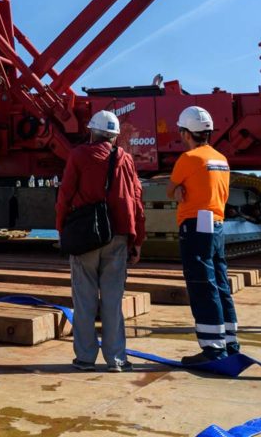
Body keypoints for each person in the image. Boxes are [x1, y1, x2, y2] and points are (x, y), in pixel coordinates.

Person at [56, 110, 145, 373]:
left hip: (85, 238)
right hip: (117, 236)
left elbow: (65, 194)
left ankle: (85, 358)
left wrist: (62, 229)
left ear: (92, 132)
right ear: (115, 137)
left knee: (84, 300)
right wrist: (137, 239)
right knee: (112, 300)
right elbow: (136, 199)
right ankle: (116, 359)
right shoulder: (125, 159)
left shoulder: (79, 155)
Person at [167, 105, 240, 365]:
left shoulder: (189, 159)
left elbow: (171, 189)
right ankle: (230, 343)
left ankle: (212, 350)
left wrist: (178, 192)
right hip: (216, 225)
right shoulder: (221, 159)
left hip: (195, 225)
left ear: (186, 133)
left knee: (201, 285)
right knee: (220, 284)